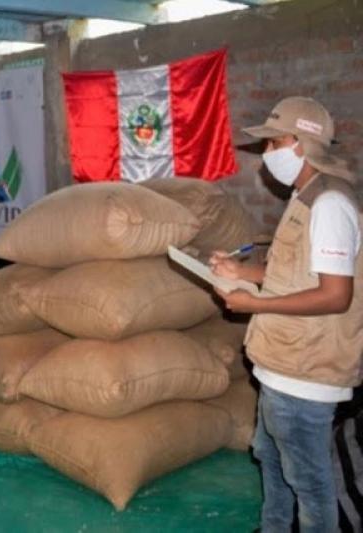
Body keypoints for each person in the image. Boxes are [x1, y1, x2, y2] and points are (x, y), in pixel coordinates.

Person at [210, 96, 362, 533]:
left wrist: (254, 303)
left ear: (301, 144)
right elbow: (295, 275)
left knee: (309, 483)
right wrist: (242, 272)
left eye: (275, 142)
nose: (267, 154)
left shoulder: (330, 205)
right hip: (283, 366)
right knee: (273, 466)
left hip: (307, 373)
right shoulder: (306, 197)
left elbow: (336, 295)